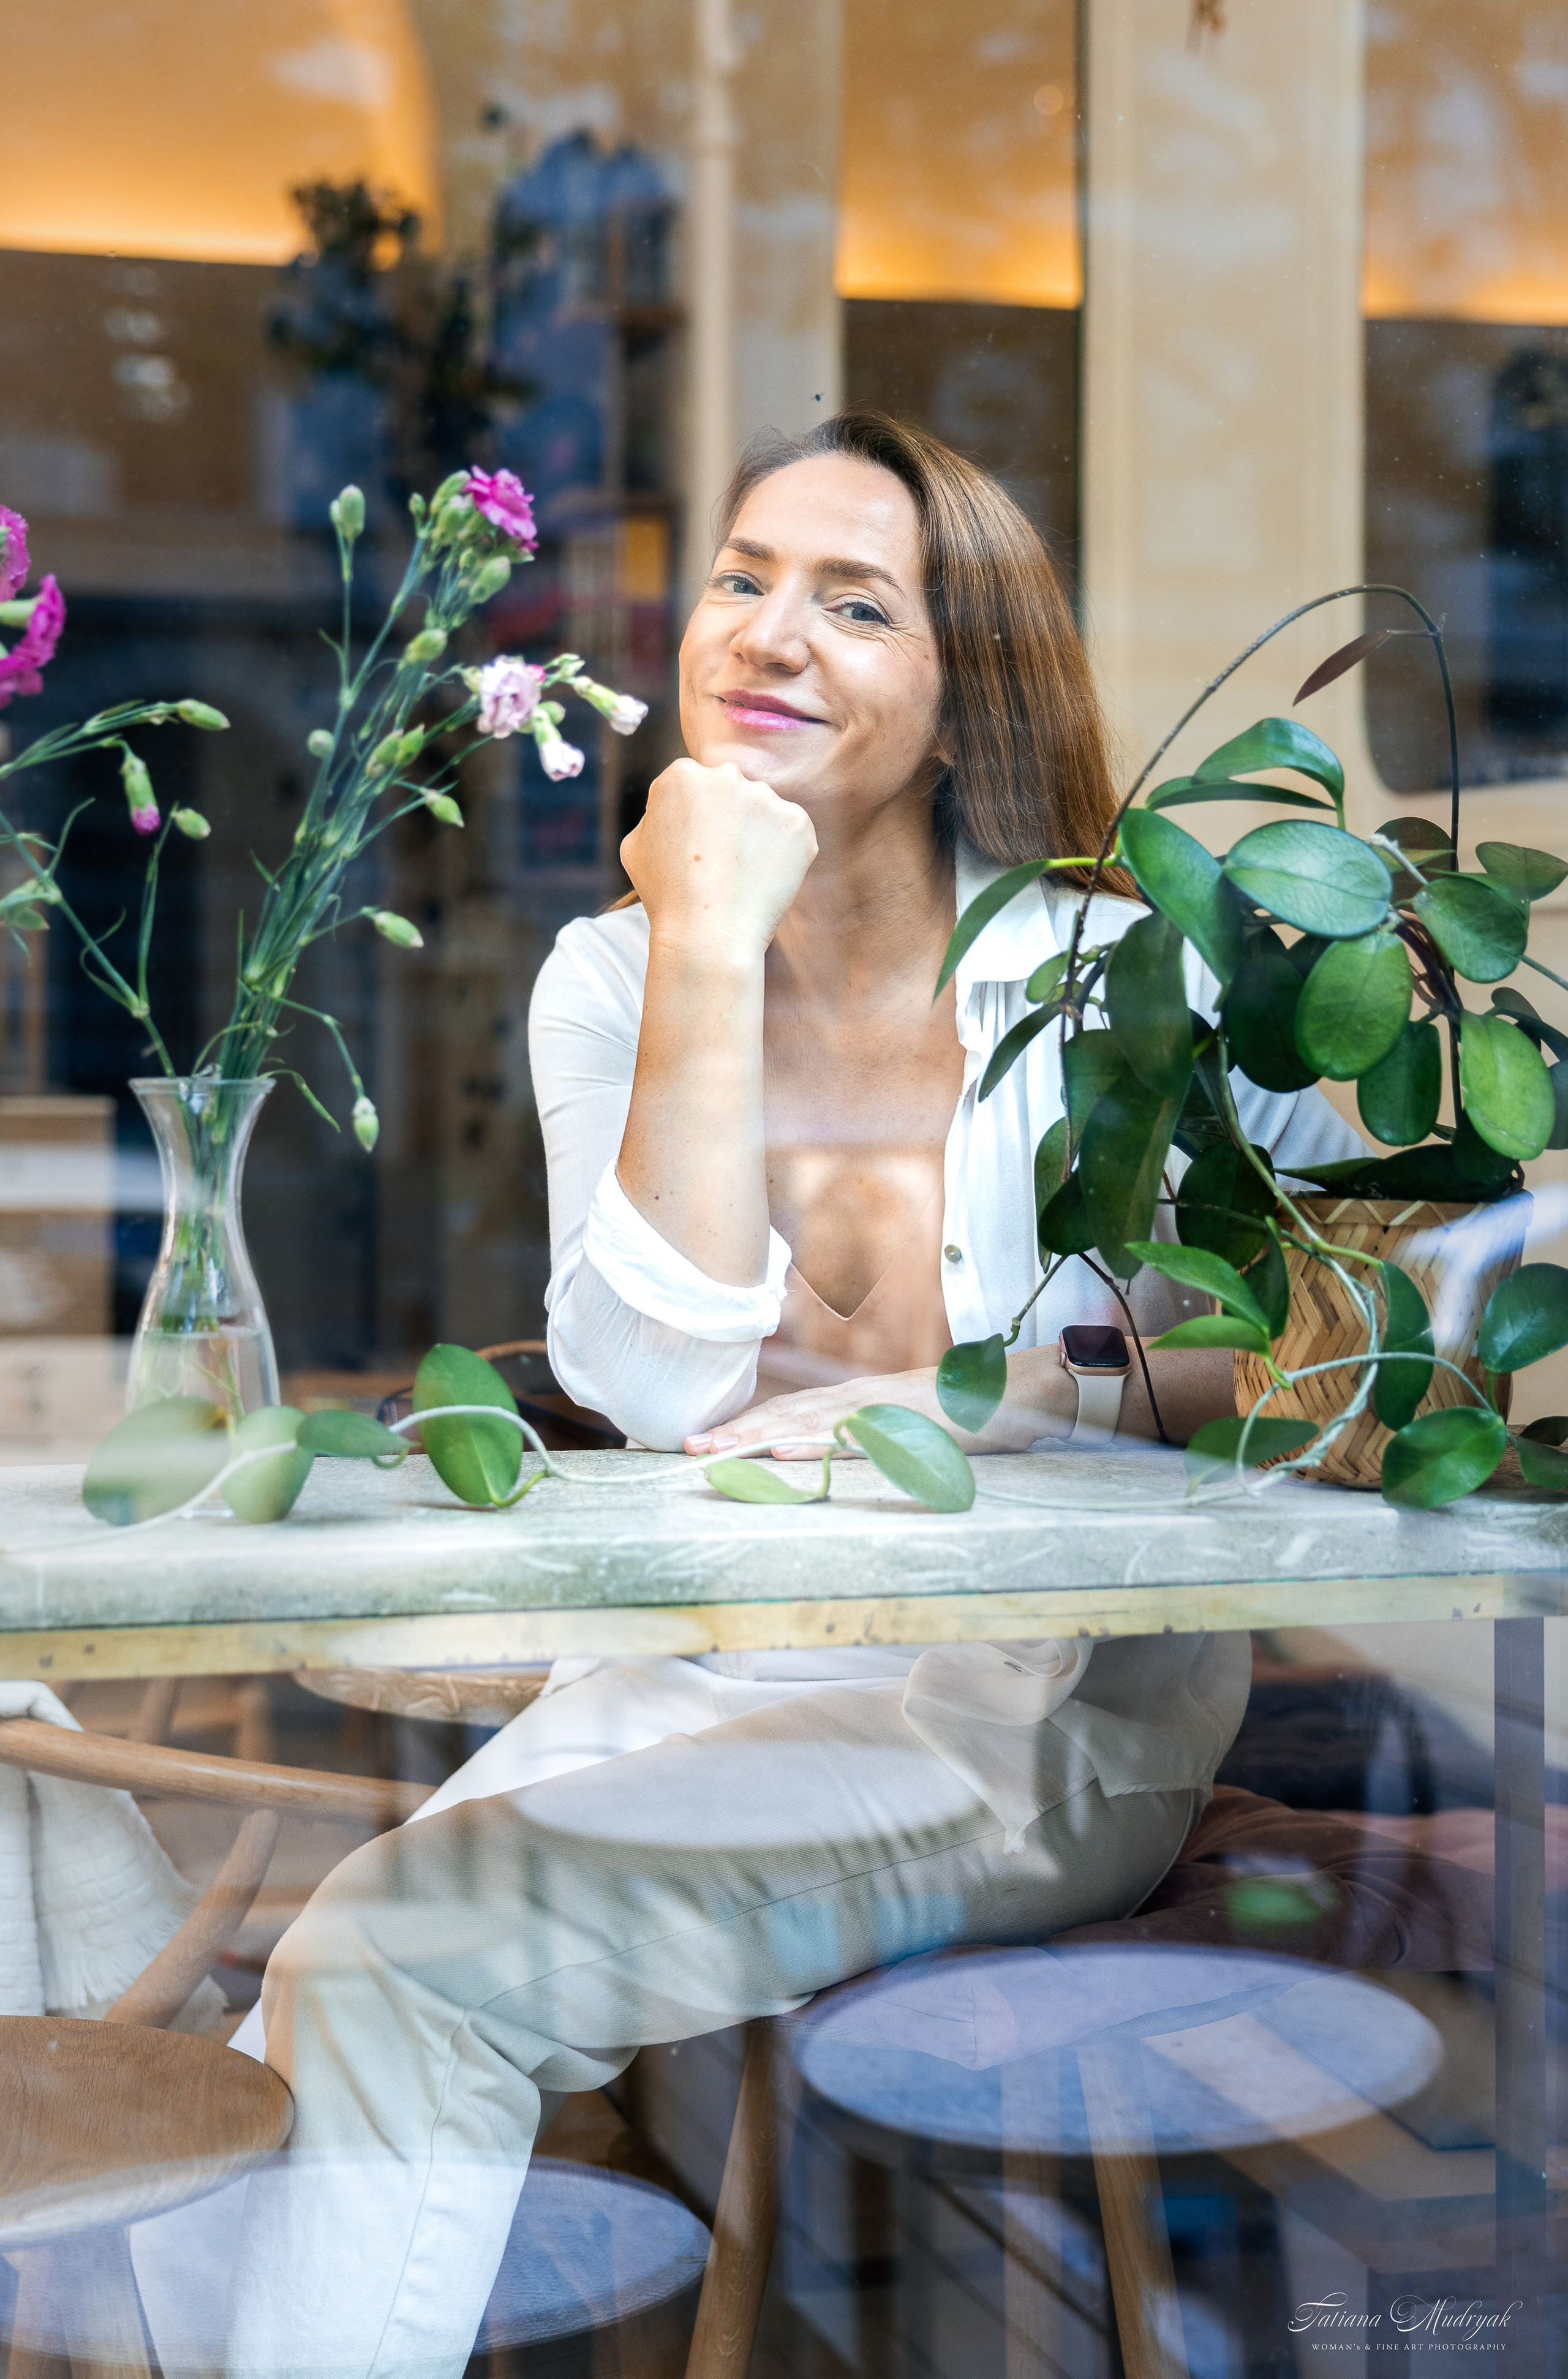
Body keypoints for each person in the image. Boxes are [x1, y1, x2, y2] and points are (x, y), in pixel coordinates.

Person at [223, 413, 1360, 2379]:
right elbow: (650, 1375)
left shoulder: (1115, 964)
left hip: (1025, 1707)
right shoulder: (614, 971)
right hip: (705, 1672)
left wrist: (957, 1399)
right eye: (743, 578)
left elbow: (1278, 1348)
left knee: (401, 1958)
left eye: (854, 601)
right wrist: (709, 949)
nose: (767, 632)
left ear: (962, 680)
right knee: (303, 1994)